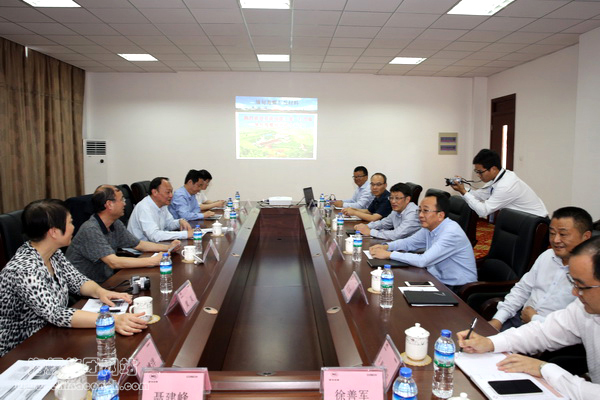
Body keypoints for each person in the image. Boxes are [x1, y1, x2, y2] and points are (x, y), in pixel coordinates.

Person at [458, 236, 600, 400]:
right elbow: (543, 332)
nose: (575, 293)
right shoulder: (582, 307)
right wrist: (490, 343)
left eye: (581, 286)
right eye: (573, 283)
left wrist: (546, 369)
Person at [0, 199, 147, 357]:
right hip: (22, 349)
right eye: (70, 222)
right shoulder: (24, 269)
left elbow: (78, 281)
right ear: (54, 232)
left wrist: (101, 292)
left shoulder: (53, 253)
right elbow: (56, 314)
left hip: (52, 335)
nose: (73, 227)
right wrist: (112, 320)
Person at [490, 207, 593, 331]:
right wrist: (498, 319)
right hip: (520, 320)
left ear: (586, 237)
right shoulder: (547, 256)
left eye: (563, 234)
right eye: (552, 233)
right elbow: (522, 289)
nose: (555, 240)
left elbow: (577, 326)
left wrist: (534, 319)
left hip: (551, 333)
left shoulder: (592, 274)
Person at [67, 185, 182, 284]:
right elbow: (113, 262)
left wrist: (168, 247)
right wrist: (152, 261)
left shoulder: (115, 223)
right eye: (121, 199)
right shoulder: (91, 229)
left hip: (107, 280)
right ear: (109, 204)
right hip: (87, 288)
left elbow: (139, 244)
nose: (125, 203)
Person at [369, 192, 477, 291]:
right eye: (419, 210)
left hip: (458, 288)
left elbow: (423, 260)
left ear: (440, 215)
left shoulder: (451, 233)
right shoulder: (429, 227)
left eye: (425, 211)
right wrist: (386, 246)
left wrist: (388, 254)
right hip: (437, 279)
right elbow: (409, 242)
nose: (420, 215)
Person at [450, 149, 548, 218]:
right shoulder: (498, 178)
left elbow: (483, 211)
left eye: (480, 172)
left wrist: (463, 191)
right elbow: (479, 195)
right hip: (523, 219)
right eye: (476, 171)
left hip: (536, 223)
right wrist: (461, 188)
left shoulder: (506, 185)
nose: (478, 175)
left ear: (493, 169)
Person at [127, 177, 193, 242]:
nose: (171, 195)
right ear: (155, 192)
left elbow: (169, 224)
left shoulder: (162, 205)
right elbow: (154, 236)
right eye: (168, 192)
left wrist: (180, 221)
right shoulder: (144, 208)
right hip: (139, 248)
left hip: (154, 244)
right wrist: (185, 234)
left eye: (171, 192)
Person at [354, 182, 420, 240]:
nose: (393, 201)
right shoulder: (396, 210)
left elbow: (397, 234)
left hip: (414, 249)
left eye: (397, 198)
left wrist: (370, 232)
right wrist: (366, 226)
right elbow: (383, 223)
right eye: (391, 198)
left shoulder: (413, 213)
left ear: (407, 199)